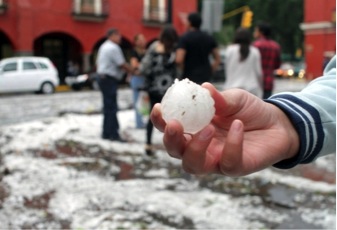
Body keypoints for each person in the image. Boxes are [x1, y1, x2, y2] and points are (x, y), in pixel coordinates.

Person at [150, 56, 336, 176]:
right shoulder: (254, 52)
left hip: (233, 89)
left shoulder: (232, 51)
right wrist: (285, 123)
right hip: (247, 91)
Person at [139, 25, 179, 155]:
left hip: (154, 88)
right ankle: (173, 144)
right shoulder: (174, 50)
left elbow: (144, 68)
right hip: (170, 89)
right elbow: (177, 70)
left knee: (153, 115)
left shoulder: (154, 48)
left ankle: (148, 144)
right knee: (172, 117)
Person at [96, 28, 133, 142]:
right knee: (111, 107)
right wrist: (133, 71)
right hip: (109, 79)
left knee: (108, 106)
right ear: (112, 36)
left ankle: (106, 132)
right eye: (118, 36)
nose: (120, 38)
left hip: (103, 77)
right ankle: (113, 134)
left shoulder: (104, 46)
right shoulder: (113, 47)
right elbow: (121, 64)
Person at [175, 12, 221, 85]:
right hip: (205, 77)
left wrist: (184, 69)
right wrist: (210, 70)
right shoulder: (209, 38)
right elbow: (218, 58)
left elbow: (179, 59)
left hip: (189, 77)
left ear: (190, 23)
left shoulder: (184, 38)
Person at [224, 27, 263, 98]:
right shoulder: (255, 51)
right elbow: (259, 73)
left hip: (232, 89)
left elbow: (227, 69)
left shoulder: (230, 50)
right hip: (251, 89)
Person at [253, 21, 281, 99]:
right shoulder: (276, 46)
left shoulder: (255, 46)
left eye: (255, 30)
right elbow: (277, 65)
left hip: (256, 82)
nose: (254, 33)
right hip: (269, 82)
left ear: (261, 32)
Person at [129, 33, 147, 129]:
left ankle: (144, 121)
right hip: (137, 79)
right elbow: (134, 65)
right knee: (137, 101)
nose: (142, 41)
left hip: (144, 78)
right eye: (139, 39)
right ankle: (139, 123)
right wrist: (144, 66)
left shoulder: (146, 52)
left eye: (143, 39)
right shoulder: (134, 52)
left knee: (145, 101)